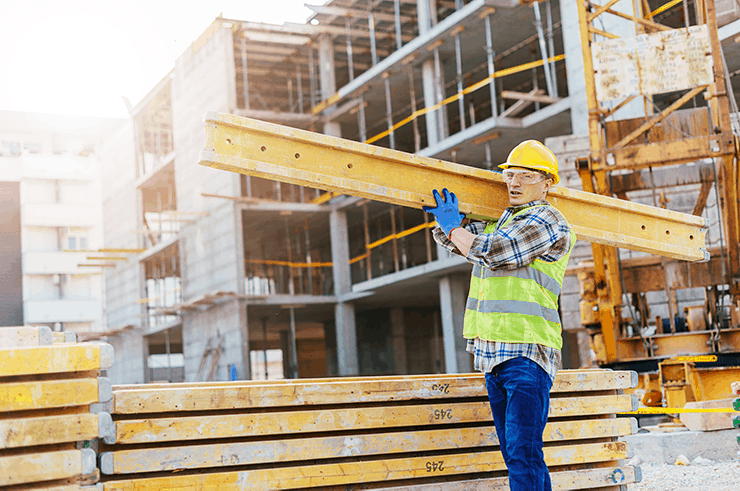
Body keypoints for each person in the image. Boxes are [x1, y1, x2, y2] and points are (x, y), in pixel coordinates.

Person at [422, 140, 575, 491]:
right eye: (509, 175)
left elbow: (496, 252)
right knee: (515, 452)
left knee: (524, 452)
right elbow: (454, 242)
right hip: (492, 356)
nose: (515, 183)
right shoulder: (501, 221)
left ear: (547, 182)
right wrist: (456, 219)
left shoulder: (548, 219)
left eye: (526, 176)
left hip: (527, 353)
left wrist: (454, 227)